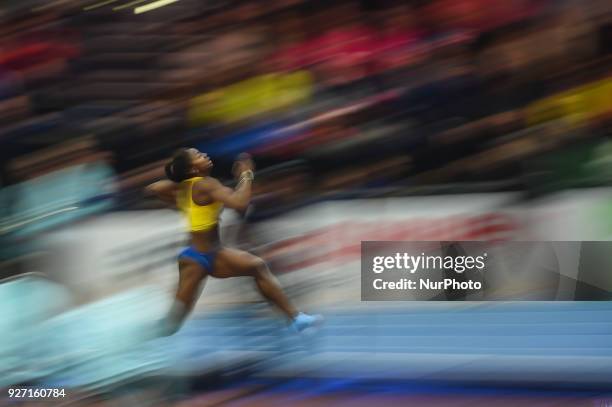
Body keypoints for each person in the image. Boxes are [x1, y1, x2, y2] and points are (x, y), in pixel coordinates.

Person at [146, 148, 322, 336]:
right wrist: (246, 175)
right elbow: (240, 204)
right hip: (195, 259)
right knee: (173, 323)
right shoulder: (206, 185)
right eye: (197, 156)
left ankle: (296, 319)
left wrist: (178, 184)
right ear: (192, 169)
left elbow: (153, 189)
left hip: (215, 254)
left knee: (256, 266)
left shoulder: (196, 186)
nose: (204, 155)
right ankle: (141, 337)